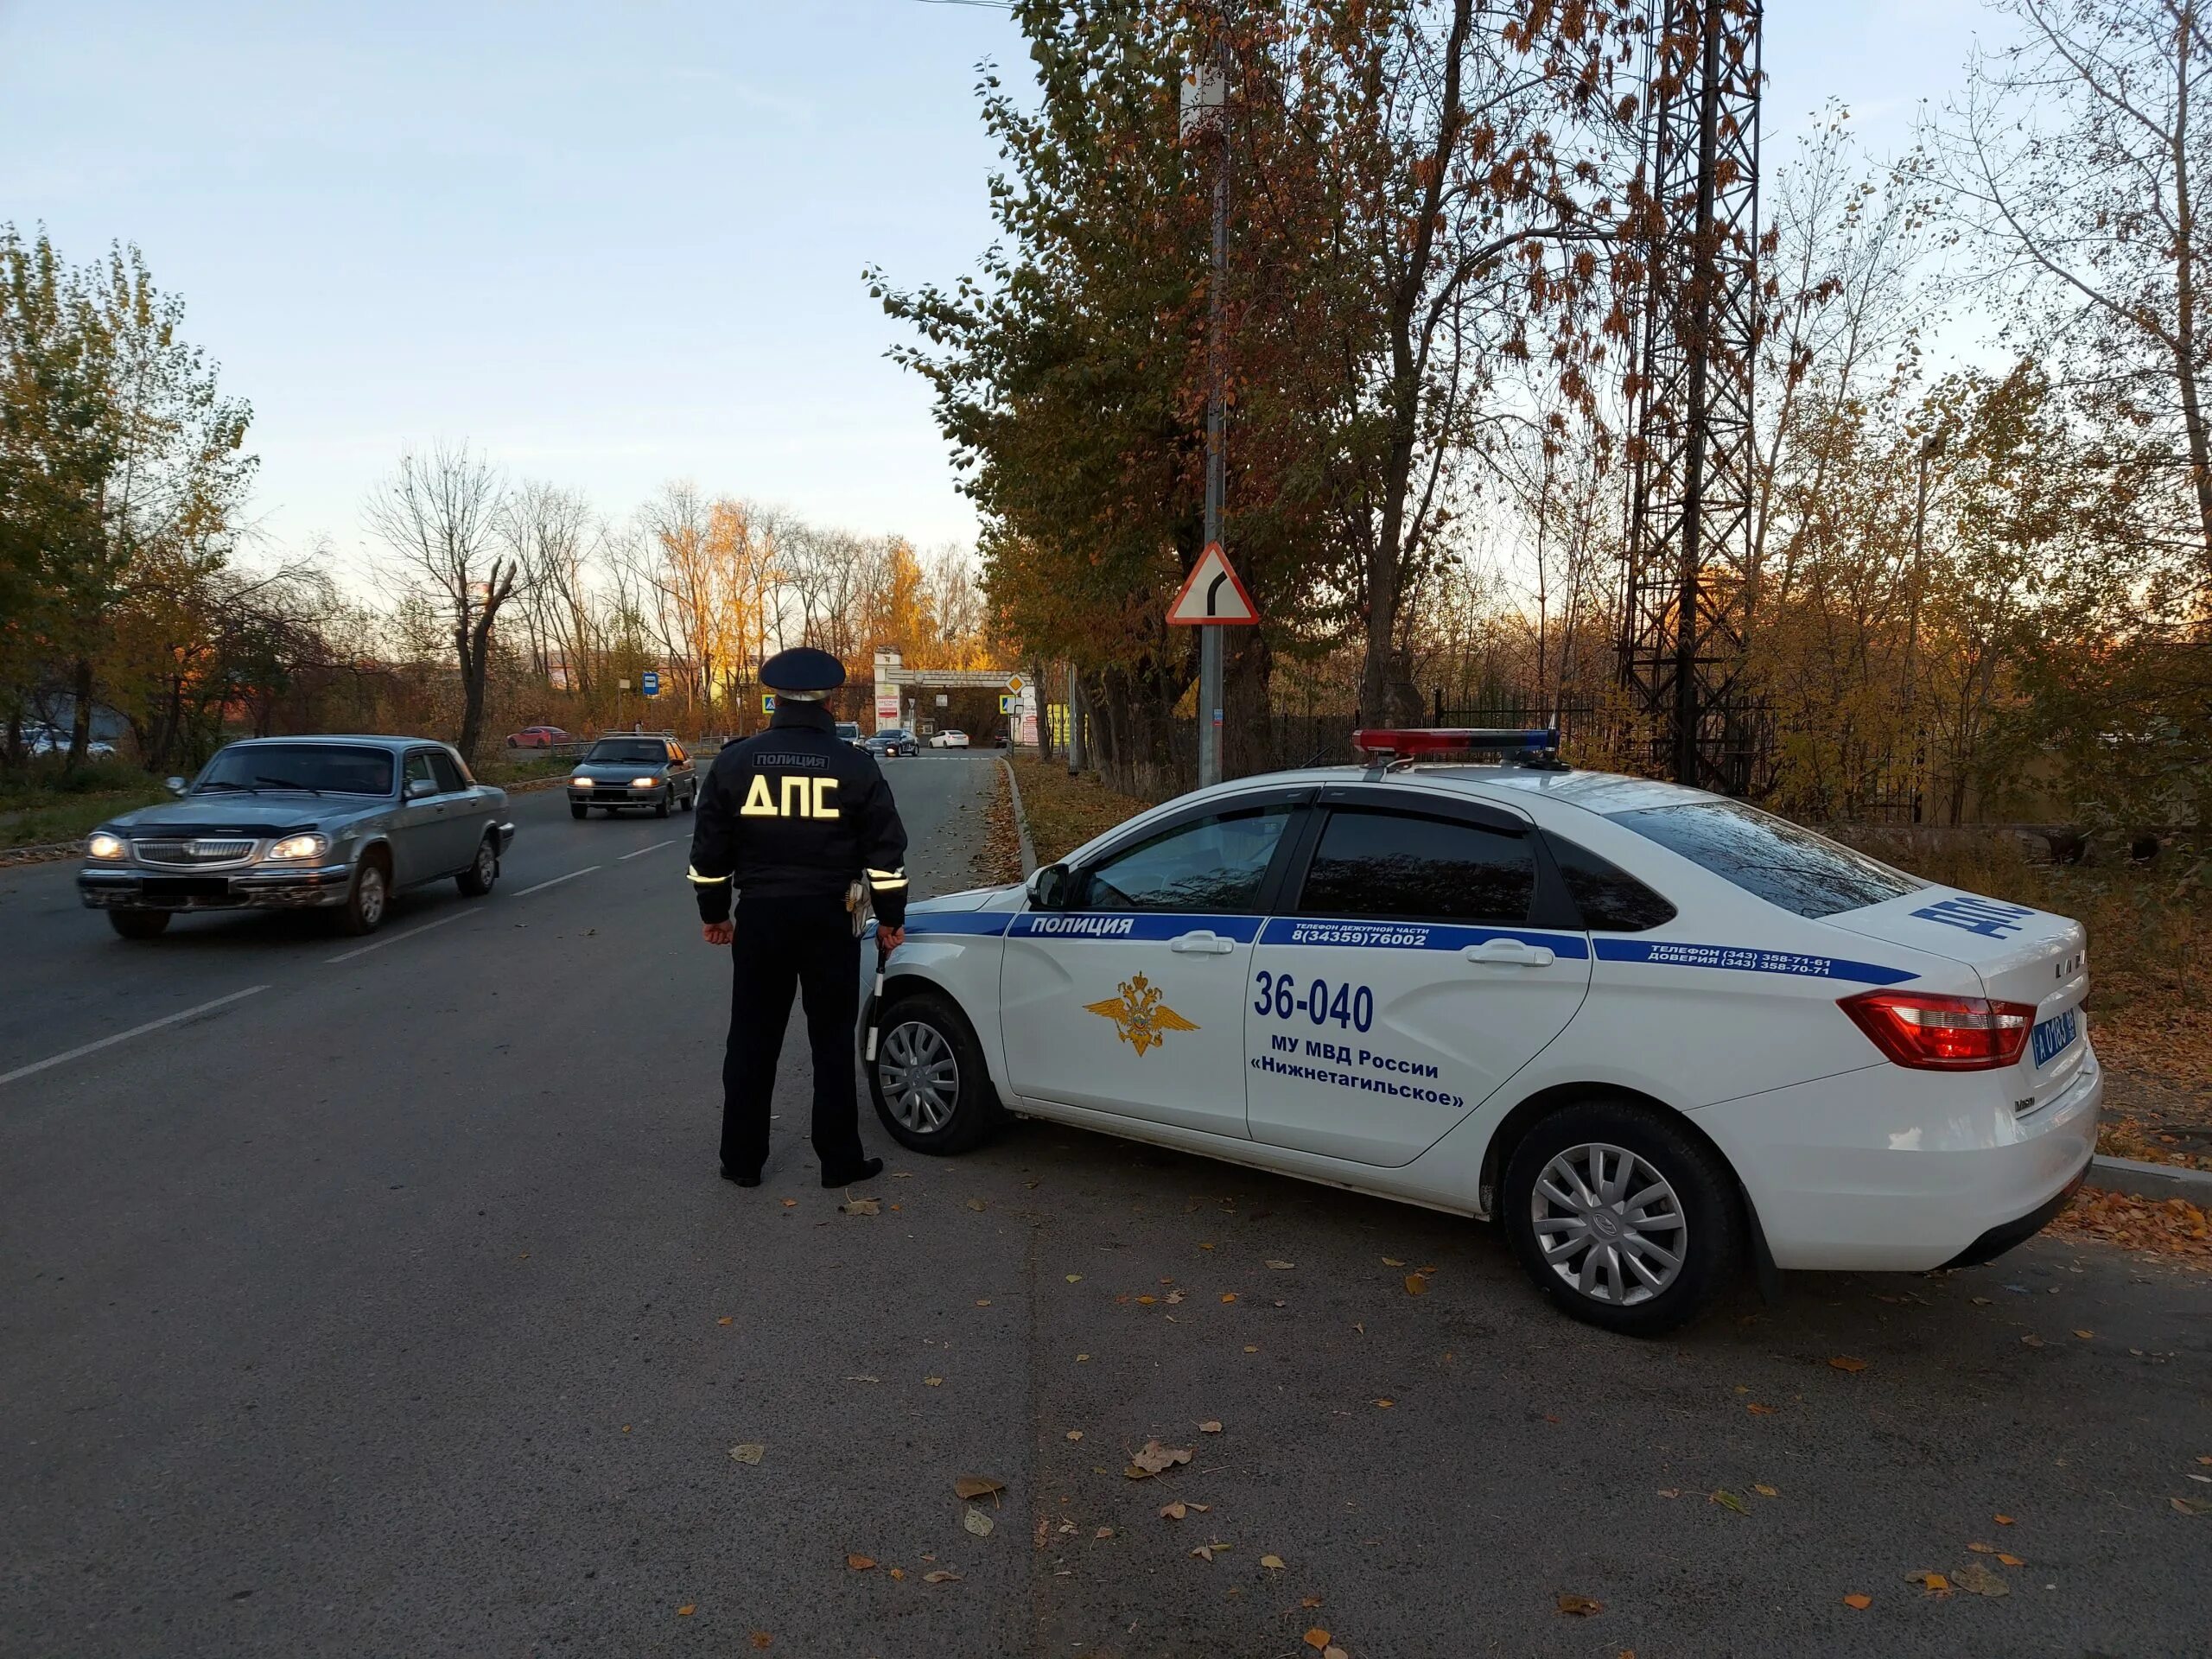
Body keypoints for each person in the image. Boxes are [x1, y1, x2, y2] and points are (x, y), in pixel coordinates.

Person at [686, 647, 910, 1189]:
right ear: (830, 699)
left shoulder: (736, 763)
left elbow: (708, 855)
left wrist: (716, 914)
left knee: (751, 1041)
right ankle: (839, 1161)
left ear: (775, 697)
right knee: (831, 1043)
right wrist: (889, 919)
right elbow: (886, 857)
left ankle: (741, 1162)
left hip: (761, 919)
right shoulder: (854, 765)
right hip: (829, 922)